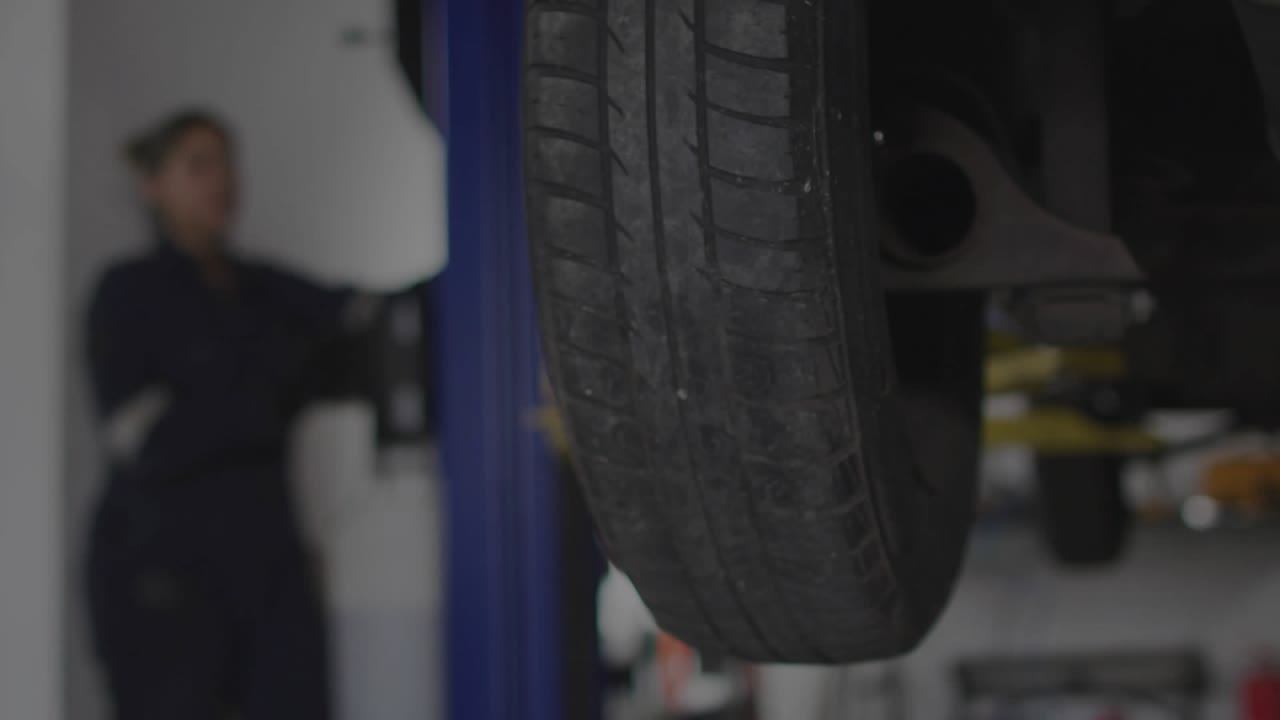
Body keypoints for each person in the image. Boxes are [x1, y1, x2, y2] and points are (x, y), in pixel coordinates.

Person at [85, 109, 406, 719]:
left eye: (228, 162)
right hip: (160, 581)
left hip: (267, 569)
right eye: (197, 163)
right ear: (151, 184)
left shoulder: (263, 291)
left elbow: (373, 319)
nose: (222, 180)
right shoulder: (127, 294)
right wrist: (278, 376)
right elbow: (150, 442)